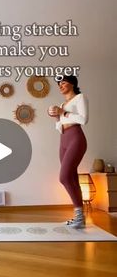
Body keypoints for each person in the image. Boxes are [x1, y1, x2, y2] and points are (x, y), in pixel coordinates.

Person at [48, 75, 89, 228]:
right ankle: (80, 218)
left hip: (76, 138)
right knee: (71, 178)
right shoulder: (62, 103)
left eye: (63, 82)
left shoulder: (80, 98)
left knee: (64, 177)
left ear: (72, 84)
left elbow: (84, 119)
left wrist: (62, 112)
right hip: (63, 139)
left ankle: (79, 216)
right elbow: (60, 126)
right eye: (59, 84)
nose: (60, 85)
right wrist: (55, 116)